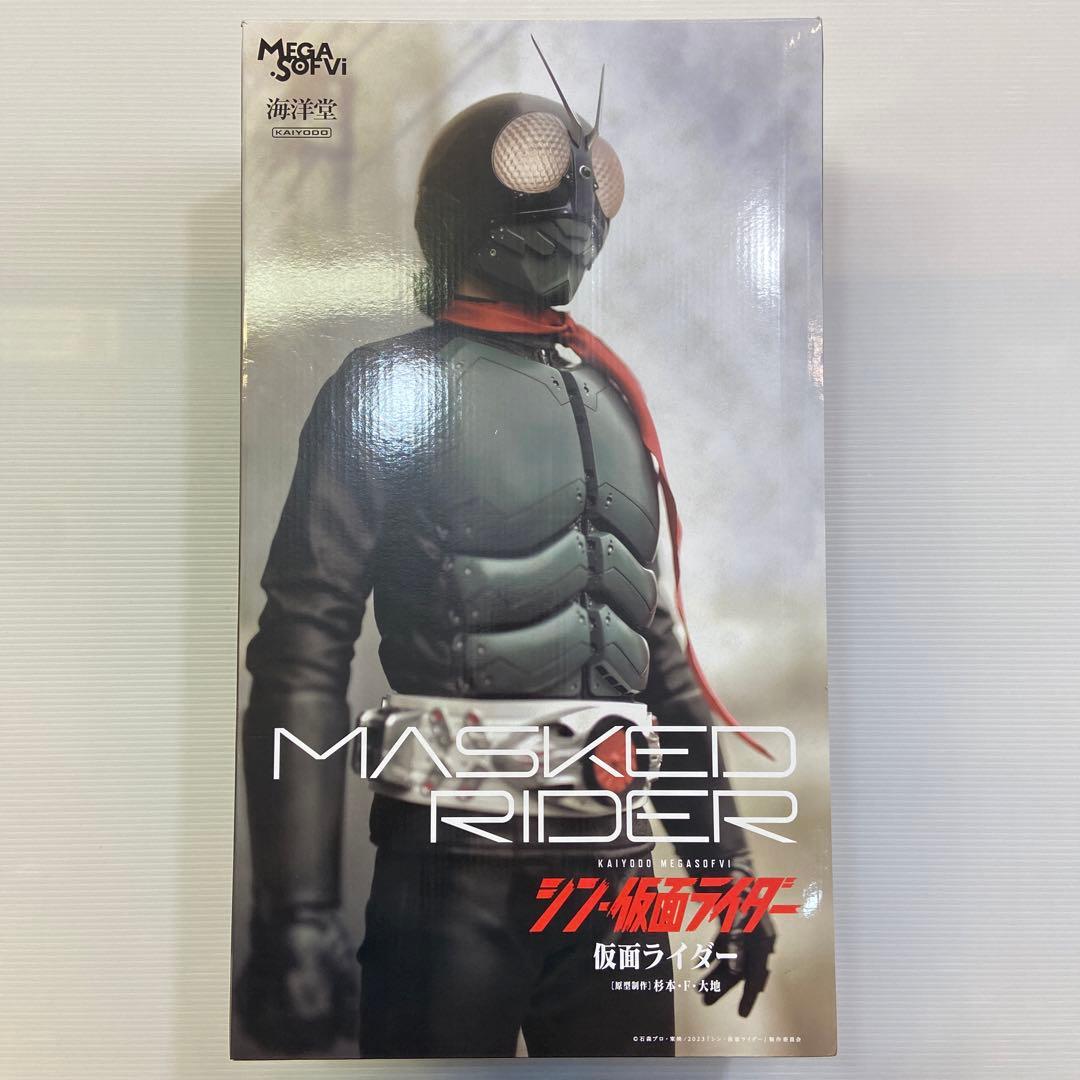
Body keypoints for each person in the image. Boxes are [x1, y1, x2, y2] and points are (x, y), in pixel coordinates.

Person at [236, 43, 775, 1058]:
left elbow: (650, 651)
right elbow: (302, 648)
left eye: (586, 181)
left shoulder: (613, 399)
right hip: (453, 870)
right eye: (540, 168)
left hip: (612, 873)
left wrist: (727, 874)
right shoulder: (383, 389)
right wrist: (294, 913)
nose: (573, 201)